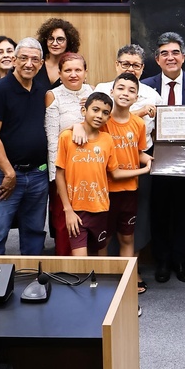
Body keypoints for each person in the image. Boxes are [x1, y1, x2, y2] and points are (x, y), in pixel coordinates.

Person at [142, 32, 185, 282]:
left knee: (184, 212)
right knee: (158, 212)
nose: (170, 57)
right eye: (164, 53)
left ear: (183, 57)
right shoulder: (146, 85)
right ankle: (162, 261)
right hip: (156, 160)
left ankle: (180, 260)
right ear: (157, 59)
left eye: (175, 52)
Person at [57, 92, 150, 257]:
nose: (100, 115)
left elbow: (115, 172)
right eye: (95, 110)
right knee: (80, 261)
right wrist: (67, 210)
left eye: (105, 113)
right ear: (84, 111)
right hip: (76, 210)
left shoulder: (107, 139)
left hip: (101, 208)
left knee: (99, 254)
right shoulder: (67, 137)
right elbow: (60, 173)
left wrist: (145, 169)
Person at [0, 38, 50, 255]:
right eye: (23, 58)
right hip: (5, 175)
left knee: (34, 231)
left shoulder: (42, 90)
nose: (29, 64)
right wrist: (9, 172)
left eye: (34, 59)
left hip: (38, 174)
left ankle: (32, 279)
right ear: (14, 60)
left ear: (41, 63)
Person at [44, 52, 93, 256]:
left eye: (78, 70)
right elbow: (52, 139)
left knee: (88, 219)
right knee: (64, 221)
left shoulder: (92, 92)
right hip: (64, 169)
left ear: (85, 72)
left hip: (90, 167)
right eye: (68, 70)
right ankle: (65, 267)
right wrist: (56, 176)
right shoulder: (52, 95)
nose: (73, 74)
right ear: (60, 73)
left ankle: (88, 268)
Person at [104, 73, 152, 275]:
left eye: (131, 90)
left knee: (127, 237)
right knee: (103, 239)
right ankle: (104, 279)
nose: (125, 93)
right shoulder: (102, 121)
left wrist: (148, 159)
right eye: (121, 88)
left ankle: (128, 281)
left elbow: (137, 152)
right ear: (112, 91)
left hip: (129, 190)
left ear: (136, 98)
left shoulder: (138, 124)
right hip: (104, 191)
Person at [36, 17, 81, 87]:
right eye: (51, 39)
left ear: (68, 42)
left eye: (60, 39)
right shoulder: (37, 63)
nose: (54, 43)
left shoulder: (73, 66)